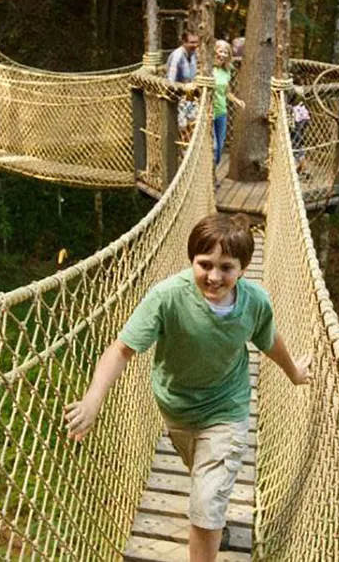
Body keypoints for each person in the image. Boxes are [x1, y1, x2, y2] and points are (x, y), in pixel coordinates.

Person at [65, 213, 311, 562]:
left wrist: (294, 373)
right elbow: (121, 349)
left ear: (243, 268)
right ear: (191, 261)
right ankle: (212, 518)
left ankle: (209, 519)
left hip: (228, 408)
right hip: (176, 408)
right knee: (203, 485)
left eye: (226, 267)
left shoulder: (255, 302)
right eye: (205, 264)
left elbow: (270, 341)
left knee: (207, 499)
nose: (214, 276)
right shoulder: (166, 298)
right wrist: (93, 399)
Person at [166, 32, 200, 133]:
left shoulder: (193, 55)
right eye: (192, 42)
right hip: (178, 97)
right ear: (184, 42)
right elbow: (170, 81)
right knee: (181, 127)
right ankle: (181, 148)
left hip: (190, 96)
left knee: (193, 123)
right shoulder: (177, 56)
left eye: (196, 42)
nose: (194, 45)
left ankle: (188, 148)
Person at [213, 41, 233, 168]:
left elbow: (227, 92)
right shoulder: (208, 69)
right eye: (220, 51)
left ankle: (213, 171)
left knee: (220, 145)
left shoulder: (226, 71)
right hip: (208, 111)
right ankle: (209, 175)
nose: (223, 55)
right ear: (215, 52)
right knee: (213, 146)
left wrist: (237, 100)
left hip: (221, 112)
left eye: (226, 52)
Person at [290, 93, 311, 169]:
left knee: (297, 142)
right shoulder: (296, 106)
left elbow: (306, 119)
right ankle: (300, 164)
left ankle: (300, 165)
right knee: (297, 143)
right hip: (297, 122)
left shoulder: (300, 106)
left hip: (298, 122)